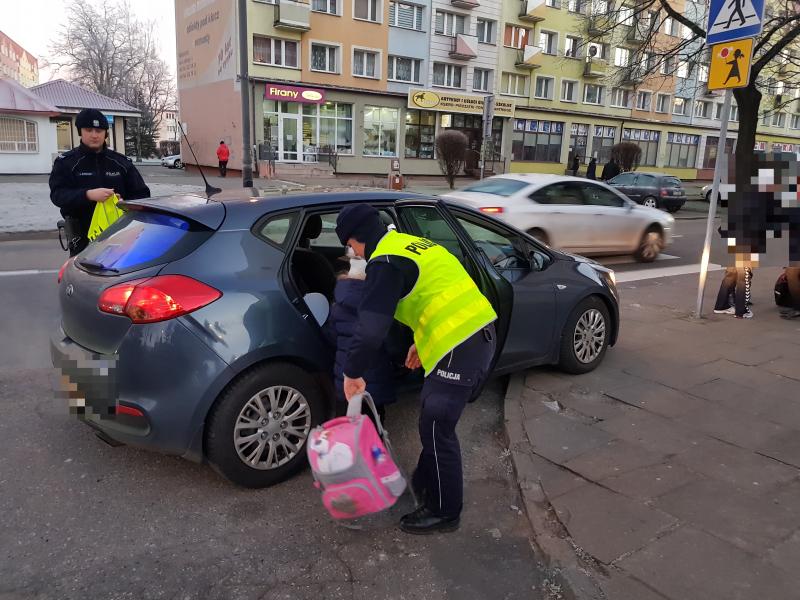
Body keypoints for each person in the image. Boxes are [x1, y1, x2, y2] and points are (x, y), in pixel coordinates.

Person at [335, 204, 497, 535]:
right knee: (432, 420)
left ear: (355, 240)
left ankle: (445, 511)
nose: (351, 252)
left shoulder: (384, 263)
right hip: (473, 333)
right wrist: (419, 343)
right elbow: (436, 294)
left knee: (438, 426)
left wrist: (352, 373)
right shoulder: (409, 244)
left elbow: (369, 331)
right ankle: (427, 481)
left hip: (461, 345)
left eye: (349, 245)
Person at [49, 108, 150, 256]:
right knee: (84, 277)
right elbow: (58, 195)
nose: (94, 135)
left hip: (120, 234)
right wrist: (87, 195)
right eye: (89, 130)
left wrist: (125, 203)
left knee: (119, 275)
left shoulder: (121, 162)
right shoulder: (67, 163)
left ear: (105, 133)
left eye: (99, 131)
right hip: (82, 237)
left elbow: (143, 194)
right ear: (80, 132)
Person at [323, 251, 396, 423]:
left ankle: (346, 445)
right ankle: (369, 446)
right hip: (371, 383)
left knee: (345, 419)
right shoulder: (379, 307)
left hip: (344, 378)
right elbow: (392, 344)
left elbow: (331, 335)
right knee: (372, 421)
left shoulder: (338, 305)